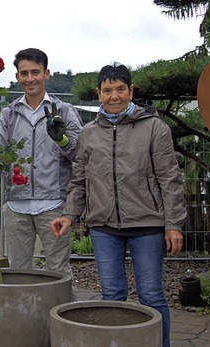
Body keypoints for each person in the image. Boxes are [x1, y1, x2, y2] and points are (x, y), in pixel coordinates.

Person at [50, 63, 186, 347]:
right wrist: (69, 215)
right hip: (103, 225)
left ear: (131, 91)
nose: (114, 96)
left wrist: (173, 224)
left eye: (120, 89)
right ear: (98, 94)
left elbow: (170, 179)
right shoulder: (89, 132)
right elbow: (79, 181)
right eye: (108, 90)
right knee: (112, 295)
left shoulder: (153, 127)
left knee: (151, 294)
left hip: (147, 223)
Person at [0, 48, 83, 276]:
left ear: (47, 73)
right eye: (24, 73)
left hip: (53, 205)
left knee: (58, 273)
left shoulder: (64, 111)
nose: (30, 78)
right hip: (17, 206)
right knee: (18, 273)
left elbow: (80, 155)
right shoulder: (9, 114)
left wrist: (62, 140)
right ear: (17, 77)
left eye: (35, 72)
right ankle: (24, 314)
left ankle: (57, 313)